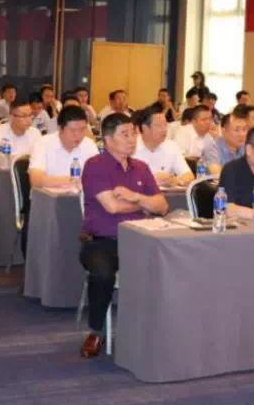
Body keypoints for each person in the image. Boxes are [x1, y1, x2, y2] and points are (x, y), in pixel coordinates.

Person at [79, 112, 168, 358]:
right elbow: (112, 207)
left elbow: (162, 207)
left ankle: (160, 329)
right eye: (124, 134)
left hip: (141, 239)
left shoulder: (141, 168)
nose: (132, 139)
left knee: (173, 262)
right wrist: (144, 204)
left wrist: (135, 196)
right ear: (108, 139)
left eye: (133, 133)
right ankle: (96, 331)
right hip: (102, 241)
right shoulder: (95, 165)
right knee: (103, 273)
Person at [29, 105, 100, 188]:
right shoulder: (43, 143)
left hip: (81, 195)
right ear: (60, 128)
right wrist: (73, 181)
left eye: (82, 129)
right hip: (51, 195)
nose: (78, 135)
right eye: (72, 130)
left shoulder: (89, 145)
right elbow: (35, 179)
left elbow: (99, 175)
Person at [132, 104, 194, 187]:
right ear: (144, 128)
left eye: (165, 124)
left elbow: (189, 176)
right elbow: (122, 179)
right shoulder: (130, 147)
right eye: (159, 125)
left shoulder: (171, 146)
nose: (164, 129)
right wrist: (151, 180)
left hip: (166, 194)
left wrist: (174, 180)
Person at [0, 98, 43, 164]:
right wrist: (20, 160)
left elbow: (41, 156)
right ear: (11, 117)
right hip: (6, 169)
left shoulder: (35, 133)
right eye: (24, 116)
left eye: (30, 115)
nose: (29, 120)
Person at [198, 108, 248, 177]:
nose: (242, 134)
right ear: (223, 131)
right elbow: (218, 176)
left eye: (244, 129)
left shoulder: (246, 147)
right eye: (237, 130)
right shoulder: (212, 148)